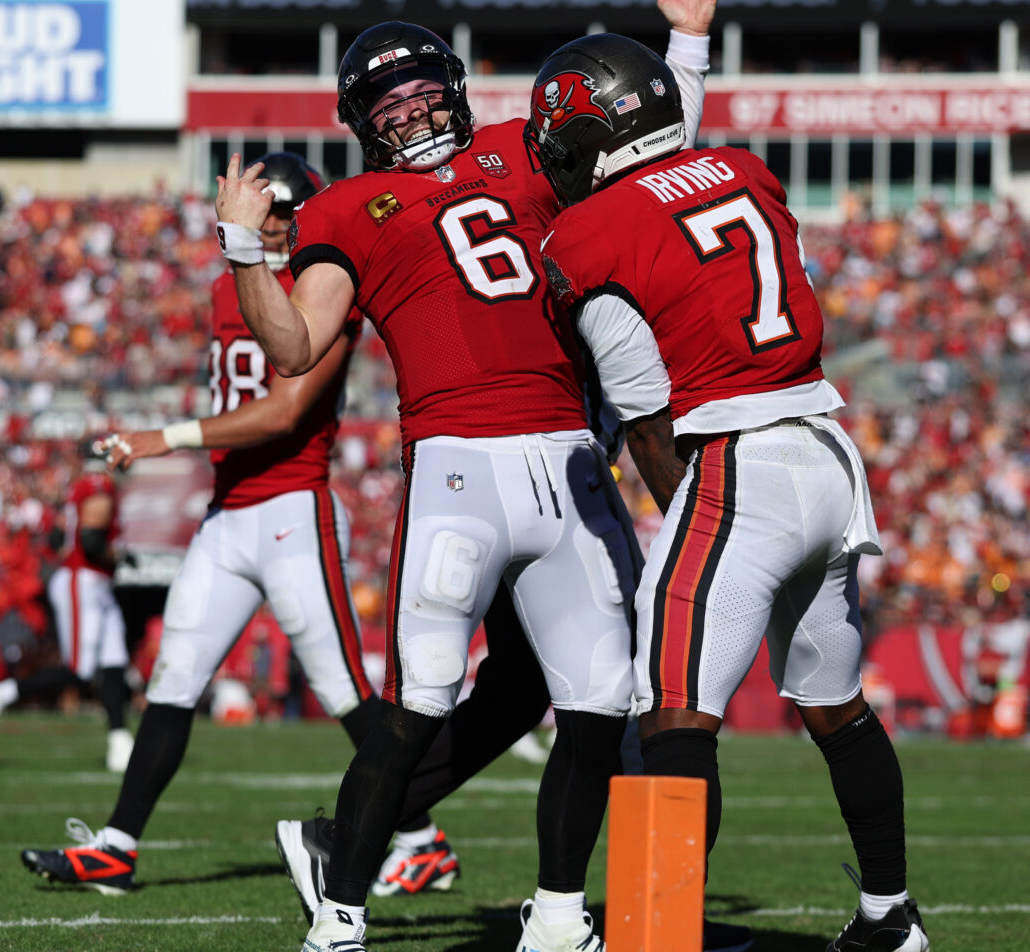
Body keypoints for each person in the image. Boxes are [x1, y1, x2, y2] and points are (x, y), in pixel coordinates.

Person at [218, 6, 716, 950]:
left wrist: (686, 43)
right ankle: (342, 915)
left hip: (572, 459)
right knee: (421, 698)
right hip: (459, 467)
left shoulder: (524, 149)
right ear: (361, 122)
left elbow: (647, 139)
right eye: (387, 104)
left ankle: (561, 917)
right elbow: (293, 346)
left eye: (418, 93)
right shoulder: (342, 212)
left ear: (451, 86)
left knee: (598, 702)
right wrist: (246, 250)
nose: (408, 114)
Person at [532, 34, 926, 952]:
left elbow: (644, 417)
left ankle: (655, 936)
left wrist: (701, 534)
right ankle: (889, 920)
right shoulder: (744, 172)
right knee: (837, 708)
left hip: (740, 466)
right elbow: (673, 204)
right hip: (828, 452)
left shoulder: (589, 235)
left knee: (670, 713)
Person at [16, 154, 456, 897]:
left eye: (288, 214)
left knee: (343, 687)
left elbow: (285, 411)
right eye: (269, 213)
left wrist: (167, 438)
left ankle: (421, 840)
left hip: (293, 508)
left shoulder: (327, 289)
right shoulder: (232, 288)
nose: (278, 227)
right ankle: (117, 847)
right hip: (230, 514)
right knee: (174, 678)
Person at [0, 444, 133, 772]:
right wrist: (119, 556)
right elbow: (90, 541)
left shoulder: (80, 486)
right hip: (84, 581)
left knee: (115, 662)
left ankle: (120, 742)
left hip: (94, 583)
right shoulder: (99, 486)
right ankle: (0, 692)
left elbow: (59, 536)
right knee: (80, 669)